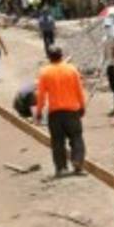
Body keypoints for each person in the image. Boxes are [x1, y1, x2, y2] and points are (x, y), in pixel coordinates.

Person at [34, 45, 88, 176]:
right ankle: (77, 163)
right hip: (72, 111)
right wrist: (82, 106)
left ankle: (61, 168)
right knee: (76, 138)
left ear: (49, 57)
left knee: (58, 142)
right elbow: (79, 90)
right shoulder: (72, 70)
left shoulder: (45, 72)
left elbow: (41, 95)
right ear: (62, 55)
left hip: (55, 113)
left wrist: (39, 111)